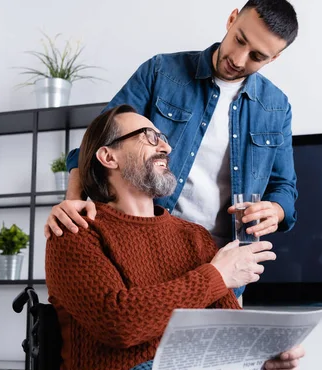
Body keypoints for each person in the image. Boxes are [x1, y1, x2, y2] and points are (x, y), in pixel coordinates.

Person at [45, 105, 305, 370]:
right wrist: (216, 274)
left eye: (164, 138)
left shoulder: (194, 238)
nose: (166, 147)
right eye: (149, 137)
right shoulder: (75, 233)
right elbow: (119, 323)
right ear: (108, 156)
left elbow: (229, 338)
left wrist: (264, 362)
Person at [45, 0, 299, 298]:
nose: (240, 60)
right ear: (231, 19)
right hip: (146, 256)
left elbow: (284, 186)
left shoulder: (276, 107)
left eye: (257, 56)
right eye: (240, 40)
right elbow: (98, 140)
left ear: (274, 58)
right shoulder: (161, 72)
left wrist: (277, 210)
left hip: (224, 268)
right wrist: (73, 202)